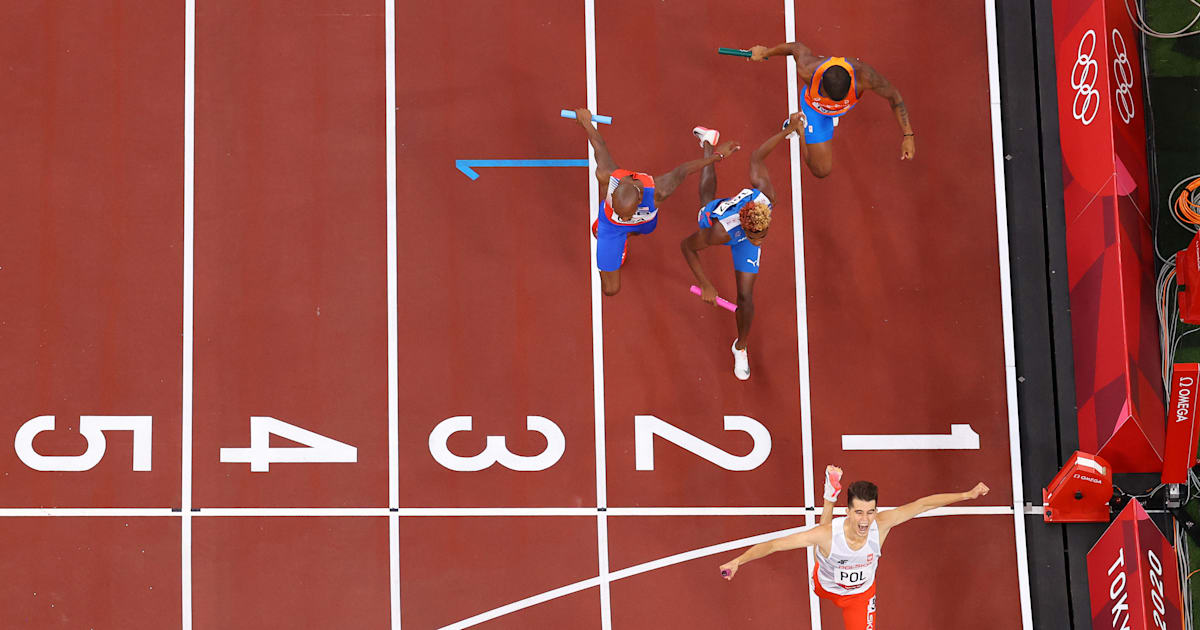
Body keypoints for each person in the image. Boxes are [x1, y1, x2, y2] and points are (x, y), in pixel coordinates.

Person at [719, 466, 990, 630]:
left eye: (870, 512)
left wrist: (966, 494)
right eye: (858, 512)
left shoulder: (881, 525)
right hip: (824, 585)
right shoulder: (831, 533)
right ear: (848, 511)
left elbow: (922, 505)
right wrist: (738, 561)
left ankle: (829, 493)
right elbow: (775, 545)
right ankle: (829, 497)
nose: (864, 520)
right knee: (820, 540)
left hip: (860, 596)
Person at [679, 112, 804, 380]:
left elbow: (757, 156)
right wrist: (706, 284)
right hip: (722, 219)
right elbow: (687, 247)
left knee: (746, 297)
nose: (761, 241)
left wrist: (787, 131)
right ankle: (707, 143)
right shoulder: (720, 232)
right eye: (756, 236)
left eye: (763, 235)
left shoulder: (766, 198)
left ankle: (740, 346)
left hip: (740, 231)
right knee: (705, 200)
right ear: (746, 227)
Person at [571, 108, 739, 296]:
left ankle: (625, 237)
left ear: (640, 199)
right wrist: (585, 121)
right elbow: (598, 144)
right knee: (611, 290)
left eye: (626, 215)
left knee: (635, 231)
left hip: (645, 223)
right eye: (620, 212)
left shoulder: (659, 190)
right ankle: (610, 243)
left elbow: (683, 171)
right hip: (610, 227)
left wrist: (718, 156)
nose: (624, 217)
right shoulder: (606, 175)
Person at [746, 40, 915, 178]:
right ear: (819, 83)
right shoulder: (808, 69)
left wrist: (908, 135)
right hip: (814, 110)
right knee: (821, 171)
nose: (831, 100)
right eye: (827, 96)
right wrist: (765, 52)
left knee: (822, 167)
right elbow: (795, 47)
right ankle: (799, 127)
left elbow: (895, 97)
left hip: (836, 110)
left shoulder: (865, 77)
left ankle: (830, 114)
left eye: (837, 99)